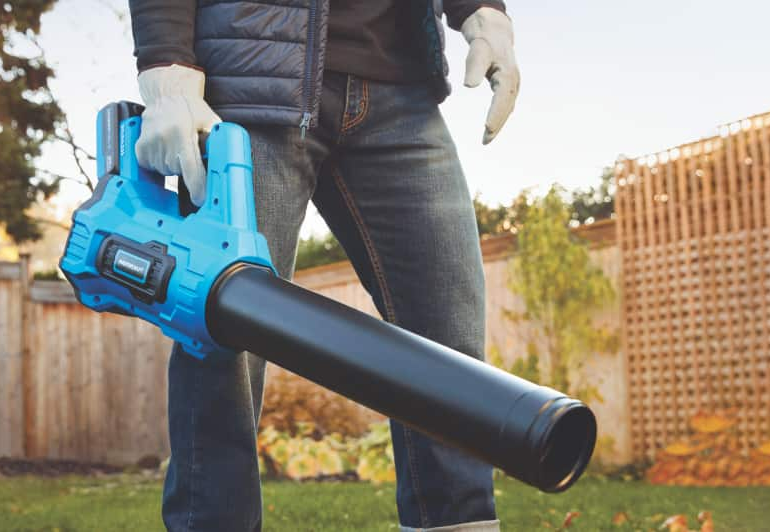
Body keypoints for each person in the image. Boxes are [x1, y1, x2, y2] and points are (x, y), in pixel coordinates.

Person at [127, 1, 520, 530]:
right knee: (224, 339)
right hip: (250, 78)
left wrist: (482, 10)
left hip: (401, 87)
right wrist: (165, 67)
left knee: (450, 346)